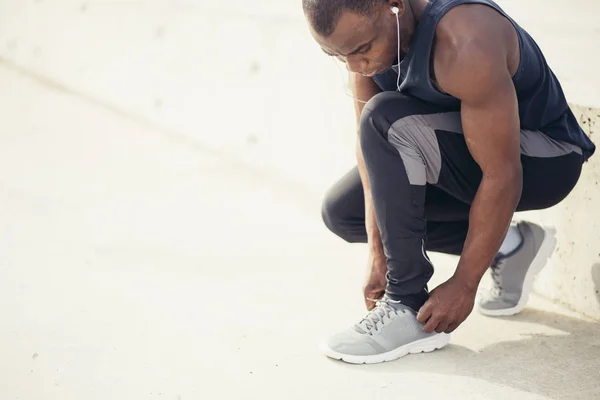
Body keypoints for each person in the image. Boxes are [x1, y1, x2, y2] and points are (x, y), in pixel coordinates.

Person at [302, 0, 596, 364]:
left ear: (393, 7)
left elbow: (502, 173)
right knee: (342, 213)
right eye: (336, 55)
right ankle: (509, 245)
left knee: (386, 121)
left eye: (360, 50)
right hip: (462, 149)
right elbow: (370, 162)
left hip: (544, 159)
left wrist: (464, 283)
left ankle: (405, 306)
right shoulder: (367, 41)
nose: (353, 65)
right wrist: (378, 254)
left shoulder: (465, 37)